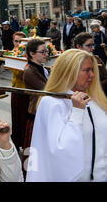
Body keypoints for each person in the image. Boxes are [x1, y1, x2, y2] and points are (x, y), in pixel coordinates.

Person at [26, 49, 107, 181]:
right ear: (70, 72)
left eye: (92, 70)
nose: (92, 75)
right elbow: (59, 149)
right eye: (87, 70)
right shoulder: (52, 103)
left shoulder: (95, 101)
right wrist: (77, 112)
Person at [22, 39, 49, 155]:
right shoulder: (29, 71)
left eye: (46, 51)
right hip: (36, 112)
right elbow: (47, 90)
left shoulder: (41, 68)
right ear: (32, 54)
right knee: (35, 152)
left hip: (45, 111)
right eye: (42, 52)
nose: (46, 54)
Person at [8, 31, 29, 151]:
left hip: (29, 91)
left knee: (27, 119)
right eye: (16, 41)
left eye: (21, 41)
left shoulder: (29, 53)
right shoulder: (12, 54)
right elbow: (17, 72)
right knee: (17, 118)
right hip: (18, 89)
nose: (19, 44)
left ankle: (27, 142)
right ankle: (17, 143)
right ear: (13, 42)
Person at [74, 32, 107, 96]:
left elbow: (106, 77)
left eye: (93, 45)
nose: (93, 48)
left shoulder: (97, 59)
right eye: (89, 45)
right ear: (78, 46)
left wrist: (94, 85)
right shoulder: (73, 62)